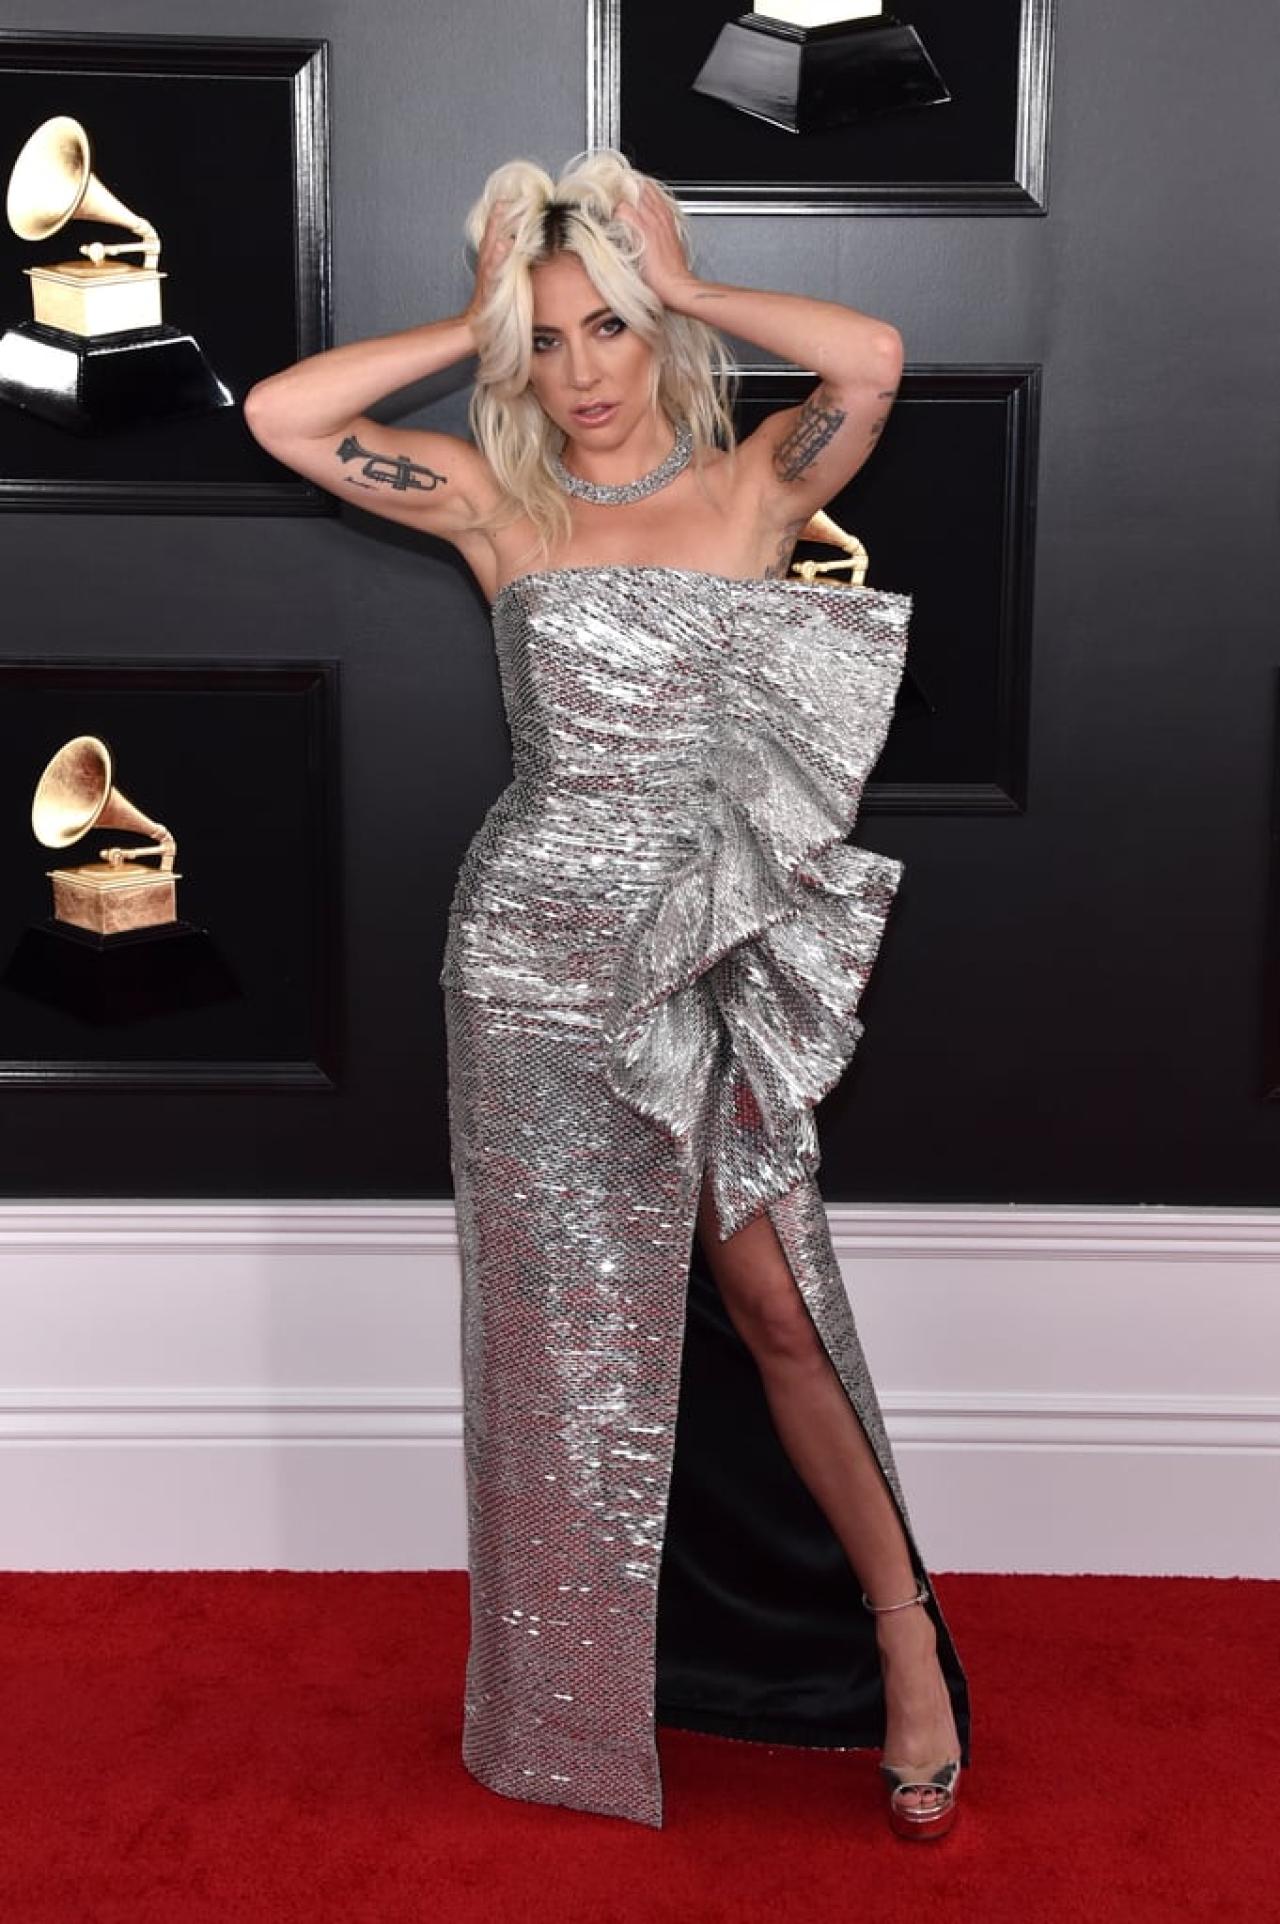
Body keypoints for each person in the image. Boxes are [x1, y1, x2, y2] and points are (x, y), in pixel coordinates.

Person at [244, 148, 971, 1839]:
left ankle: (902, 1643)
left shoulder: (753, 490)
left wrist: (689, 279)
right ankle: (560, 1704)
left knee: (777, 1306)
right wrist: (476, 313)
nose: (581, 372)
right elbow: (283, 414)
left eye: (611, 329)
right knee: (553, 1341)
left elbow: (870, 361)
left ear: (660, 335)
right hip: (529, 961)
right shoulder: (499, 509)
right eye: (550, 338)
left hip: (700, 949)